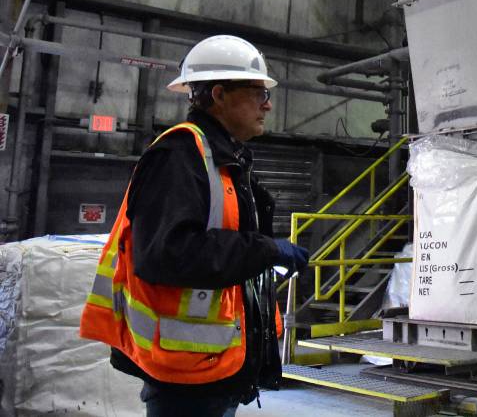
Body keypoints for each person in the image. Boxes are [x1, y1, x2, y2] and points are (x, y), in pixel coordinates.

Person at [80, 35, 310, 416]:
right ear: (219, 95)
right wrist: (266, 250)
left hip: (215, 367)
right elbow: (168, 254)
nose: (267, 104)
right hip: (183, 377)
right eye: (257, 92)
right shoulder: (180, 156)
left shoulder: (224, 158)